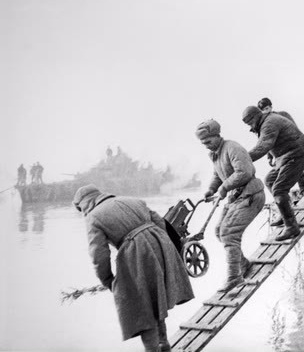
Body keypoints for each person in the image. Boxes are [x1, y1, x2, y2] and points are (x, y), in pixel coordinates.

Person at [73, 184, 193, 352]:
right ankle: (163, 344)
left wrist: (109, 281)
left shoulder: (93, 217)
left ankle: (153, 349)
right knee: (154, 298)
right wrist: (164, 247)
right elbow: (159, 221)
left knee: (140, 307)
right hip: (161, 244)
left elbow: (98, 255)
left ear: (84, 203)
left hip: (137, 253)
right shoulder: (133, 200)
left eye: (80, 208)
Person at [195, 119, 266, 292]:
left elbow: (245, 172)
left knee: (229, 233)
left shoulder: (232, 148)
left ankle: (234, 278)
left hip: (251, 195)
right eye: (203, 143)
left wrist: (225, 187)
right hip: (236, 197)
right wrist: (211, 189)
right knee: (220, 231)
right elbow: (218, 174)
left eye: (208, 141)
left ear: (217, 136)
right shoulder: (215, 153)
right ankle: (243, 264)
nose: (206, 145)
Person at [242, 105, 304, 241]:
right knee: (269, 180)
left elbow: (263, 146)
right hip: (286, 157)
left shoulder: (269, 123)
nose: (250, 125)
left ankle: (292, 227)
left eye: (250, 122)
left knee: (279, 190)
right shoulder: (265, 121)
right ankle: (286, 212)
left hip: (297, 155)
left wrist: (242, 160)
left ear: (256, 116)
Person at [257, 97, 304, 199]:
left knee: (298, 167)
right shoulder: (263, 125)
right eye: (263, 110)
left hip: (291, 147)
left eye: (267, 108)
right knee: (274, 179)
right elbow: (265, 142)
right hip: (279, 154)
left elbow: (294, 128)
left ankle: (303, 190)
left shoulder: (282, 115)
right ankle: (284, 199)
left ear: (271, 107)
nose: (265, 111)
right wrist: (269, 157)